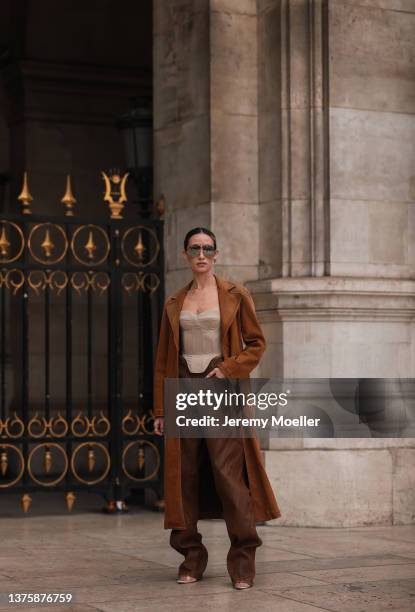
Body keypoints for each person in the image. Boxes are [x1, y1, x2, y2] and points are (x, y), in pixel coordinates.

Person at [153, 227, 281, 590]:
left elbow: (256, 344)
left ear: (216, 254)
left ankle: (243, 560)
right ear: (185, 255)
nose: (201, 254)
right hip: (182, 392)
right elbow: (164, 359)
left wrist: (227, 369)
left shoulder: (235, 295)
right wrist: (161, 410)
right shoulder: (174, 302)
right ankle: (191, 556)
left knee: (229, 477)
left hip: (220, 393)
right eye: (195, 248)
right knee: (184, 478)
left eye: (208, 248)